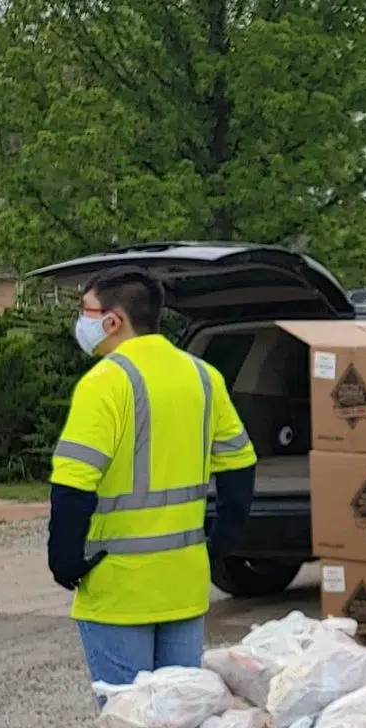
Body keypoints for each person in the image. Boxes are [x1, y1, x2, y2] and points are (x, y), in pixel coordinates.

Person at [49, 267, 256, 686]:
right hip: (184, 585)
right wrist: (221, 542)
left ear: (113, 320)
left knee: (130, 727)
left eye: (86, 310)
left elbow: (74, 483)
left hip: (119, 587)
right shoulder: (204, 376)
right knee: (179, 723)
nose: (81, 320)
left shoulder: (105, 383)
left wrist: (65, 559)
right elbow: (240, 465)